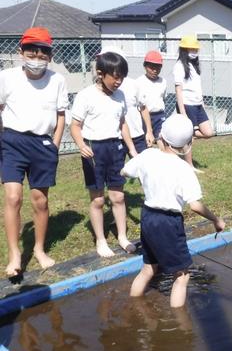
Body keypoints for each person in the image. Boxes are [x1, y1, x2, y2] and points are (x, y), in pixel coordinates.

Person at [122, 114, 225, 308]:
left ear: (162, 135)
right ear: (188, 143)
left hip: (148, 216)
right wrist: (216, 220)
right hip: (168, 222)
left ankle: (133, 308)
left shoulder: (147, 155)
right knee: (182, 275)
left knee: (148, 268)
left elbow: (125, 171)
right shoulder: (184, 169)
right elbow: (194, 205)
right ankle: (180, 323)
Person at [0, 27, 68, 275]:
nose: (37, 59)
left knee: (40, 200)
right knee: (13, 197)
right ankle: (14, 253)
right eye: (32, 52)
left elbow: (61, 116)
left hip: (43, 145)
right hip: (13, 141)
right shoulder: (6, 77)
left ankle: (39, 249)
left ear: (50, 56)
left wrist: (55, 145)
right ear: (21, 52)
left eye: (43, 54)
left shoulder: (57, 80)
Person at [70, 51, 137, 258]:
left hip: (115, 148)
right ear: (101, 73)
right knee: (98, 199)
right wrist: (81, 144)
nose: (119, 82)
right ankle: (100, 240)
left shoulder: (120, 95)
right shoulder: (85, 95)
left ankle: (122, 236)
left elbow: (122, 124)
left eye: (122, 77)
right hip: (94, 150)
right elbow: (75, 125)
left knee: (118, 196)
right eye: (115, 77)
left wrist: (132, 149)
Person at [173, 35, 214, 170]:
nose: (195, 52)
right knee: (188, 137)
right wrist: (183, 112)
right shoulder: (179, 66)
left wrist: (202, 103)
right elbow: (178, 91)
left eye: (196, 50)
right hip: (187, 105)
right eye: (192, 49)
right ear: (184, 49)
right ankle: (189, 165)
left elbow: (198, 88)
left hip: (198, 104)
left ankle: (186, 135)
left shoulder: (194, 65)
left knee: (208, 132)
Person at [108, 49, 154, 156]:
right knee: (117, 170)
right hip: (115, 137)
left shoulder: (134, 84)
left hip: (136, 134)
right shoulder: (101, 89)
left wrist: (149, 132)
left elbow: (143, 108)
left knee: (143, 168)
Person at [136, 50, 167, 141]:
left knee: (162, 139)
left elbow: (163, 98)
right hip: (144, 116)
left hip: (159, 115)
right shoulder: (138, 82)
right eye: (152, 67)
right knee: (146, 141)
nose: (155, 70)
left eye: (158, 67)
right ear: (145, 66)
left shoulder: (163, 81)